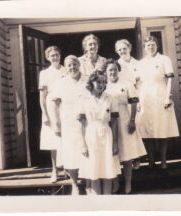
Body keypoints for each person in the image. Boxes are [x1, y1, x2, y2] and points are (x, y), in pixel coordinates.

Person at [104, 59, 146, 194]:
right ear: (105, 72)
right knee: (112, 154)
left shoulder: (126, 84)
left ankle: (128, 183)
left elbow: (133, 103)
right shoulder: (103, 85)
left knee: (127, 154)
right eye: (110, 70)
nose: (112, 72)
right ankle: (115, 183)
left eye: (115, 69)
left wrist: (132, 120)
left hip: (124, 120)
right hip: (108, 122)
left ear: (118, 70)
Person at [137, 36, 179, 169]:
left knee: (162, 131)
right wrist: (138, 100)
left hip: (160, 96)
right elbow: (138, 83)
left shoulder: (164, 59)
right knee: (148, 132)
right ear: (144, 48)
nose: (150, 47)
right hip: (145, 98)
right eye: (148, 45)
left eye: (153, 44)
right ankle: (151, 161)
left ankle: (163, 161)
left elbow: (170, 80)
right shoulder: (141, 63)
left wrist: (167, 97)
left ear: (157, 45)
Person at [77, 70, 121, 195]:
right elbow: (81, 124)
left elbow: (114, 122)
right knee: (94, 170)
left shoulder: (110, 98)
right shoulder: (84, 99)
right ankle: (97, 203)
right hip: (91, 135)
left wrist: (115, 143)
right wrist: (83, 145)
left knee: (107, 170)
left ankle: (107, 201)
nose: (101, 84)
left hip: (106, 134)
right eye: (98, 81)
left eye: (103, 82)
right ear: (91, 82)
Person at [50, 55, 87, 195]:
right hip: (68, 122)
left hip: (86, 121)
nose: (72, 67)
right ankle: (74, 185)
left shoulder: (87, 79)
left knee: (86, 151)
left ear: (79, 64)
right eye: (69, 65)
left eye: (75, 64)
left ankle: (88, 182)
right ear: (66, 68)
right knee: (71, 153)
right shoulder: (61, 83)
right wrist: (56, 123)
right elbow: (53, 103)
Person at [78, 33, 106, 193]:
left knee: (101, 141)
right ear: (85, 46)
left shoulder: (103, 61)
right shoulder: (80, 61)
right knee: (87, 143)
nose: (92, 47)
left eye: (94, 44)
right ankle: (89, 181)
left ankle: (104, 176)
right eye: (89, 44)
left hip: (101, 102)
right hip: (86, 100)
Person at [38, 46, 66, 183]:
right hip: (50, 107)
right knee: (53, 140)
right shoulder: (44, 73)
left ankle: (67, 168)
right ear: (47, 58)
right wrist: (45, 114)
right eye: (52, 55)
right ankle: (54, 170)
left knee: (66, 138)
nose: (55, 57)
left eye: (57, 54)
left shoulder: (66, 70)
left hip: (65, 106)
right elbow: (42, 96)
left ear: (60, 55)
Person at [115, 39, 142, 169]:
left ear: (129, 47)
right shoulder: (116, 65)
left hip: (139, 98)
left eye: (124, 48)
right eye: (119, 50)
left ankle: (136, 157)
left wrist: (141, 99)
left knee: (137, 130)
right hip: (125, 99)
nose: (122, 51)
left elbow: (142, 82)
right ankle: (126, 159)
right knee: (126, 130)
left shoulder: (138, 63)